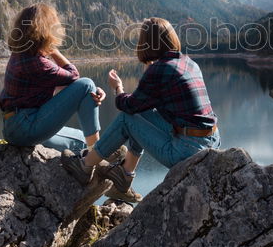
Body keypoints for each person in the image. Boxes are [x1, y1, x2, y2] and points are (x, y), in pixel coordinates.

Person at [62, 17, 219, 201]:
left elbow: (127, 105)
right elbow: (147, 105)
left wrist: (118, 87)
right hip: (211, 140)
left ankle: (85, 166)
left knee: (127, 118)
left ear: (147, 42)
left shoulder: (160, 70)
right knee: (141, 114)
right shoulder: (188, 63)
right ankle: (125, 175)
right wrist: (149, 73)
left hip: (186, 152)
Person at [0, 3, 105, 154]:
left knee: (81, 141)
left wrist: (91, 94)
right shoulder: (37, 63)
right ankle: (97, 155)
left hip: (15, 126)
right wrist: (53, 50)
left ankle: (95, 153)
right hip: (26, 126)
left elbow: (57, 87)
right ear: (46, 31)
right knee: (87, 84)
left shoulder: (21, 55)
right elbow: (74, 75)